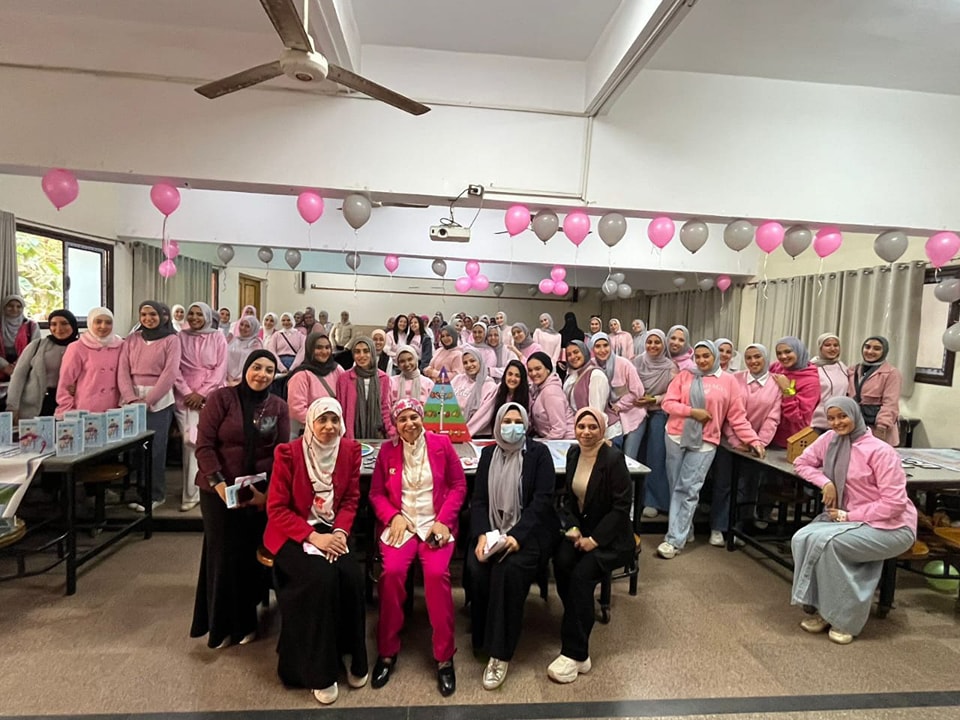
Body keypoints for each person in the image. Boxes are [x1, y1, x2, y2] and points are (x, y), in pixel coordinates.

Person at [264, 398, 368, 705]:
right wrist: (312, 536)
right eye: (322, 420)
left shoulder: (349, 451)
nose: (329, 427)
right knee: (319, 580)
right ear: (310, 422)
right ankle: (317, 671)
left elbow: (350, 500)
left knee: (351, 577)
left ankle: (350, 653)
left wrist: (339, 532)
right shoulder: (289, 453)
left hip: (332, 530)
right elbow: (277, 508)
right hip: (293, 531)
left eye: (334, 420)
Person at [791, 397, 917, 644]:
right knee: (801, 537)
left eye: (843, 416)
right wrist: (826, 482)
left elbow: (895, 504)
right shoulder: (829, 440)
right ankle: (824, 609)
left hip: (892, 526)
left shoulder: (880, 451)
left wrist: (849, 516)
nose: (837, 422)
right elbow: (801, 462)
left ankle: (843, 619)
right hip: (847, 519)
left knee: (830, 546)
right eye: (831, 418)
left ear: (856, 416)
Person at [368, 398, 468, 697]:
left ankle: (444, 657)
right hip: (402, 524)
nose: (409, 424)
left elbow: (458, 485)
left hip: (435, 523)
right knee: (392, 574)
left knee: (437, 576)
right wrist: (392, 516)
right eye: (402, 419)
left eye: (413, 417)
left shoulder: (441, 444)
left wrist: (444, 521)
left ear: (421, 418)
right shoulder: (387, 451)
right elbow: (376, 494)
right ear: (395, 425)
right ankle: (387, 651)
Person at [191, 350, 290, 649]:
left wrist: (268, 494)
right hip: (218, 490)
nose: (262, 374)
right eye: (257, 367)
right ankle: (220, 626)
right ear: (246, 368)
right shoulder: (222, 399)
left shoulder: (278, 406)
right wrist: (219, 484)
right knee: (223, 555)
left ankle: (246, 622)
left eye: (269, 370)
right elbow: (204, 446)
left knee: (249, 556)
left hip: (257, 492)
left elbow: (281, 452)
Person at [469, 403, 557, 690]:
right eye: (506, 421)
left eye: (518, 421)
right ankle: (482, 640)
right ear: (497, 424)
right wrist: (482, 535)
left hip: (528, 534)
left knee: (507, 571)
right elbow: (479, 501)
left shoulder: (538, 454)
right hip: (493, 532)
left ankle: (500, 654)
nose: (512, 426)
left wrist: (517, 536)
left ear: (526, 424)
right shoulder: (487, 455)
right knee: (477, 568)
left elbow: (542, 501)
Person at [657, 340, 766, 559]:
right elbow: (667, 403)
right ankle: (684, 528)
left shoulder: (728, 381)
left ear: (715, 356)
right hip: (675, 436)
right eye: (697, 356)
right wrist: (692, 412)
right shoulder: (685, 375)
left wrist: (753, 440)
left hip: (706, 441)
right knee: (675, 485)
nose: (701, 360)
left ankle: (673, 540)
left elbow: (737, 416)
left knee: (688, 488)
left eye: (706, 356)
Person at [549, 407, 634, 684]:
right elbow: (570, 500)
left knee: (581, 577)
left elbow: (621, 507)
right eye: (581, 426)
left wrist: (594, 540)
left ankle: (576, 653)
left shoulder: (613, 459)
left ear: (602, 429)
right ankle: (576, 618)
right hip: (582, 532)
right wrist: (573, 527)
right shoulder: (574, 453)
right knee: (561, 561)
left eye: (592, 427)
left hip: (612, 539)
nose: (586, 432)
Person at [710, 343, 782, 545]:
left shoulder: (776, 384)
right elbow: (727, 414)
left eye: (757, 357)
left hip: (755, 447)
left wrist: (759, 443)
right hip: (729, 442)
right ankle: (718, 527)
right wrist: (735, 441)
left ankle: (738, 529)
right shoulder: (734, 379)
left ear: (765, 358)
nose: (753, 361)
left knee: (748, 487)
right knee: (723, 484)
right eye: (749, 358)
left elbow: (773, 418)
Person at [118, 301, 182, 511]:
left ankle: (156, 494)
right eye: (144, 314)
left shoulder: (172, 340)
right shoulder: (132, 338)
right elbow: (122, 370)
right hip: (131, 399)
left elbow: (170, 373)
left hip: (159, 400)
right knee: (135, 450)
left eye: (153, 314)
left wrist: (148, 401)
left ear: (163, 316)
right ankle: (139, 493)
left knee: (155, 450)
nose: (148, 318)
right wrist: (131, 398)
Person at [175, 302, 228, 512]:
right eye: (192, 313)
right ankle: (190, 493)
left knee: (209, 443)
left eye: (199, 314)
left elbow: (220, 369)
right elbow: (174, 368)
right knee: (189, 443)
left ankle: (213, 488)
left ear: (207, 317)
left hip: (211, 395)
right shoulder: (180, 337)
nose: (195, 317)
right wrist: (187, 392)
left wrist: (202, 393)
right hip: (185, 397)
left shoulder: (218, 337)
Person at [633, 330, 678, 518]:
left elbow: (674, 392)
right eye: (649, 342)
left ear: (663, 345)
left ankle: (654, 501)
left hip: (659, 411)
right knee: (635, 455)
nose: (652, 346)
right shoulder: (637, 362)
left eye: (657, 342)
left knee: (656, 455)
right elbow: (628, 383)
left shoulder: (670, 367)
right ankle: (635, 498)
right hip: (636, 411)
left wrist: (655, 399)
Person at [7, 309, 78, 421]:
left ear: (73, 325)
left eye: (64, 323)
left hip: (69, 404)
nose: (59, 328)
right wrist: (12, 406)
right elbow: (18, 376)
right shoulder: (37, 345)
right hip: (37, 405)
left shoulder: (82, 348)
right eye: (53, 324)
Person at [57, 307, 123, 415]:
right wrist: (67, 410)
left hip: (115, 409)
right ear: (90, 323)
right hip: (86, 409)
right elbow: (66, 382)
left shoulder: (121, 345)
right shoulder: (77, 347)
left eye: (108, 322)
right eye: (98, 322)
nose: (103, 326)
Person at [591, 333, 646, 456]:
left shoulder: (624, 364)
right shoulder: (591, 365)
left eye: (605, 345)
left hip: (632, 416)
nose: (602, 350)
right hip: (610, 421)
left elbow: (638, 391)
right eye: (597, 346)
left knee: (629, 457)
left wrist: (620, 405)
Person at [847, 336, 901, 446]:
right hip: (856, 426)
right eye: (867, 347)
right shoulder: (853, 370)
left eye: (877, 349)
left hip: (877, 428)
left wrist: (882, 426)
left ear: (884, 351)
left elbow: (890, 403)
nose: (870, 351)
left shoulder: (891, 373)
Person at [286, 333, 344, 436]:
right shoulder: (301, 376)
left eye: (327, 347)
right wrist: (322, 424)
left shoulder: (337, 370)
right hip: (310, 432)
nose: (324, 351)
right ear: (310, 349)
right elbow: (297, 410)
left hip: (334, 430)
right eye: (319, 348)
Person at [336, 336, 392, 440]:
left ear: (372, 353)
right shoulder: (344, 378)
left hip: (376, 433)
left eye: (366, 351)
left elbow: (385, 408)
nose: (362, 355)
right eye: (357, 352)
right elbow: (341, 408)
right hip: (351, 434)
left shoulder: (383, 378)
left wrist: (390, 431)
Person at [769, 336, 820, 448]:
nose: (783, 356)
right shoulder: (776, 367)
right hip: (767, 435)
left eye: (788, 352)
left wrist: (788, 391)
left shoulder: (811, 381)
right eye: (779, 353)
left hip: (790, 442)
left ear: (798, 351)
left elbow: (799, 418)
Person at [0, 295, 40, 407]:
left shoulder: (31, 326)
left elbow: (35, 348)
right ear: (4, 307)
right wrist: (4, 366)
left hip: (24, 369)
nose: (14, 309)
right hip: (1, 369)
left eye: (19, 306)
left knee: (21, 405)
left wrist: (18, 366)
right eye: (10, 306)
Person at [451, 348, 498, 437]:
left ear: (480, 361)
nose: (469, 365)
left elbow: (483, 416)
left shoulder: (490, 386)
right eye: (465, 362)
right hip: (453, 431)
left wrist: (464, 434)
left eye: (472, 361)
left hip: (476, 435)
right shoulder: (457, 379)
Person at [527, 352, 574, 439]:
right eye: (530, 370)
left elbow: (559, 429)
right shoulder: (537, 389)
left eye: (538, 369)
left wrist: (543, 443)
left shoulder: (551, 392)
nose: (533, 373)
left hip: (564, 441)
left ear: (548, 369)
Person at [810, 332, 848, 433]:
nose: (832, 348)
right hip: (816, 423)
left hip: (839, 422)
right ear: (820, 347)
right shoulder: (811, 368)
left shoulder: (842, 367)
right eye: (827, 345)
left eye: (836, 345)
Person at [563, 339, 609, 416]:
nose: (573, 357)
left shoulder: (595, 375)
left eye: (576, 352)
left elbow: (596, 411)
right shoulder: (571, 374)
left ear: (584, 352)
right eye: (569, 355)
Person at [225, 317, 263, 386]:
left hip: (246, 380)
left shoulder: (256, 344)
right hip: (226, 379)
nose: (243, 328)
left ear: (254, 328)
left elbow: (255, 364)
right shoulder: (233, 340)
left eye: (247, 326)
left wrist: (241, 380)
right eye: (241, 324)